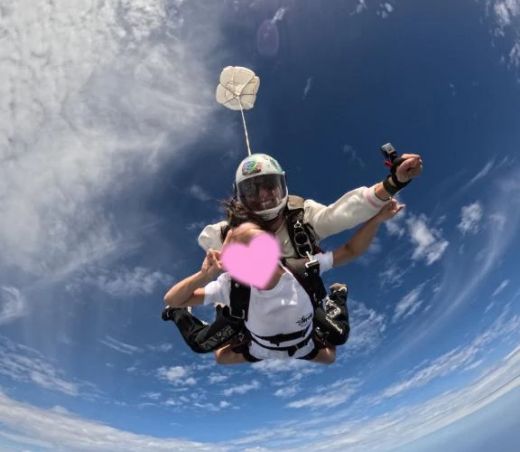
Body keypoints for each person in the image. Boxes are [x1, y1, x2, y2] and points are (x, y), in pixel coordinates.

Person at [163, 200, 403, 364]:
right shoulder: (231, 285)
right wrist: (204, 275)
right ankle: (223, 313)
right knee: (211, 351)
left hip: (296, 342)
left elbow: (350, 251)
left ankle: (336, 298)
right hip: (264, 346)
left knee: (338, 340)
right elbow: (173, 300)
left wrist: (377, 219)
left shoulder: (302, 268)